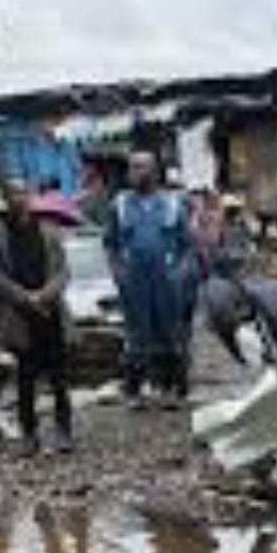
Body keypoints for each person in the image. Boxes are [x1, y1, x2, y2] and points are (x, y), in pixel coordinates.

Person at [0, 177, 73, 456]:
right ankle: (29, 434)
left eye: (23, 192)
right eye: (13, 193)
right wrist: (26, 298)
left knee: (59, 377)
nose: (19, 198)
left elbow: (62, 271)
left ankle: (64, 431)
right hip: (19, 316)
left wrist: (44, 295)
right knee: (25, 378)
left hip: (51, 312)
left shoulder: (48, 229)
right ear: (4, 198)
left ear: (30, 196)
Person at [104, 150, 194, 409]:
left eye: (141, 167)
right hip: (134, 281)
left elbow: (187, 246)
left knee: (170, 335)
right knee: (136, 336)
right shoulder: (120, 204)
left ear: (154, 171)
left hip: (167, 280)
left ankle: (170, 390)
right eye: (132, 167)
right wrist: (118, 273)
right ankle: (134, 391)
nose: (135, 172)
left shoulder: (173, 204)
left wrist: (179, 274)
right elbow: (110, 244)